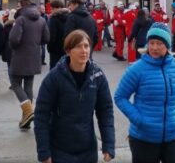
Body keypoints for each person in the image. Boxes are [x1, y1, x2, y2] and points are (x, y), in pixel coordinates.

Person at [115, 23, 175, 163]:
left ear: (167, 45)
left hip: (174, 136)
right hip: (144, 138)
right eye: (151, 43)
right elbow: (120, 97)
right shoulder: (137, 69)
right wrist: (138, 119)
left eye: (160, 43)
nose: (155, 48)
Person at [34, 29, 116, 163]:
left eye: (86, 46)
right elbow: (41, 115)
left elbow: (105, 111)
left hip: (88, 149)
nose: (84, 51)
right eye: (78, 47)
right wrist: (44, 152)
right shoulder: (54, 77)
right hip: (60, 149)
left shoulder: (97, 76)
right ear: (68, 51)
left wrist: (109, 145)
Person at [9, 0, 50, 129]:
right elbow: (46, 38)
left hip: (20, 56)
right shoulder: (42, 20)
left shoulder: (20, 19)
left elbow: (14, 39)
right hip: (34, 56)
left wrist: (13, 45)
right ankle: (25, 118)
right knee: (28, 86)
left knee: (15, 83)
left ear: (23, 7)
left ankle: (28, 111)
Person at [47, 0, 70, 69]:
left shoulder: (53, 19)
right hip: (67, 48)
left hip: (55, 50)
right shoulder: (70, 17)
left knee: (54, 71)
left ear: (56, 8)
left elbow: (51, 36)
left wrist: (49, 48)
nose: (51, 10)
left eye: (52, 8)